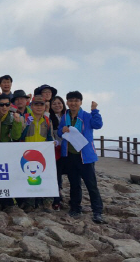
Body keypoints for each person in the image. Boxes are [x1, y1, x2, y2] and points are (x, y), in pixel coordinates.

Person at [58, 91, 105, 224]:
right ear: (67, 102)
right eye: (71, 100)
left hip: (85, 157)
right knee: (74, 184)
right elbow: (61, 130)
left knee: (91, 185)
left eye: (76, 100)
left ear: (81, 102)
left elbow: (98, 125)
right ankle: (75, 208)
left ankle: (97, 212)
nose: (73, 103)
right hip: (70, 156)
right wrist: (62, 130)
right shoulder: (65, 116)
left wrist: (95, 110)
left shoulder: (87, 116)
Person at [18, 95, 55, 212]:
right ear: (31, 106)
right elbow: (19, 136)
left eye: (41, 105)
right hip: (27, 154)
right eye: (36, 104)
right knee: (28, 177)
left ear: (45, 107)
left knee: (46, 177)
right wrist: (26, 124)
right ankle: (30, 203)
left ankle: (47, 202)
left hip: (42, 154)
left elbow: (49, 137)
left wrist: (53, 143)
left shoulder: (47, 121)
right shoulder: (25, 117)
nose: (39, 107)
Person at [49, 96, 66, 211]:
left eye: (59, 103)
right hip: (54, 151)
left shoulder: (68, 117)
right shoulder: (49, 117)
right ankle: (56, 200)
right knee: (56, 176)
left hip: (67, 150)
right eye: (54, 103)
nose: (57, 105)